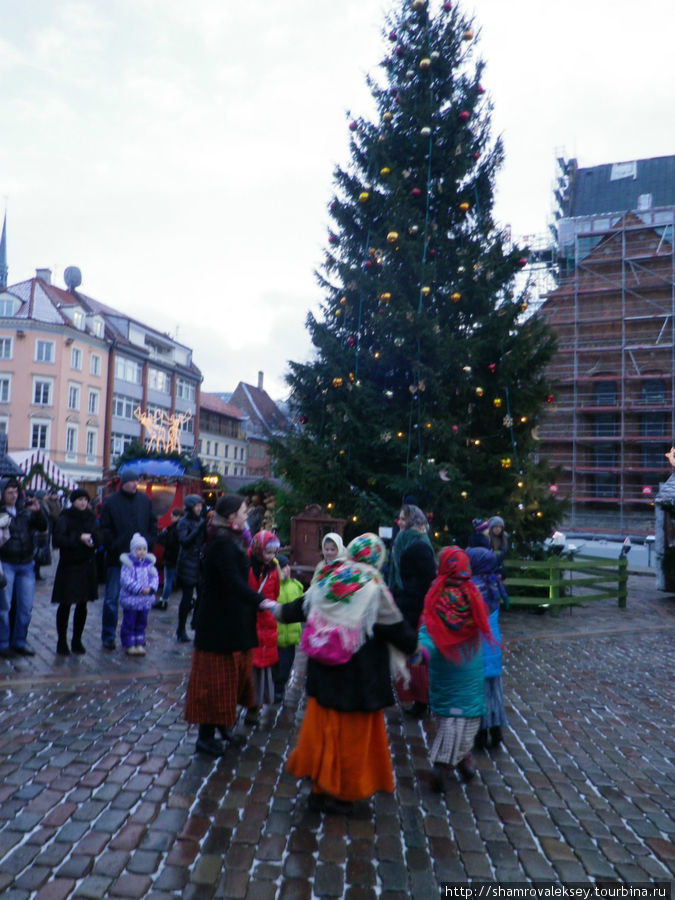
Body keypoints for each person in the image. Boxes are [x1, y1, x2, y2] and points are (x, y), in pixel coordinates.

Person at [274, 533, 418, 815]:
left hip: (323, 675)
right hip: (358, 681)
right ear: (377, 558)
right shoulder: (374, 588)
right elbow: (398, 631)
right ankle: (344, 794)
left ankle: (318, 787)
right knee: (352, 739)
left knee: (322, 731)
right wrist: (415, 648)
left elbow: (298, 609)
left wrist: (275, 610)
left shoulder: (330, 578)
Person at [184, 493, 269, 756]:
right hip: (218, 625)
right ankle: (205, 737)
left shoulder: (233, 538)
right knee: (214, 682)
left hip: (231, 622)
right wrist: (263, 602)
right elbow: (233, 583)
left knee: (231, 679)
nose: (247, 515)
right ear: (232, 516)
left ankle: (223, 727)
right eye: (244, 511)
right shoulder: (222, 542)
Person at [418, 546, 494, 788]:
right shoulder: (475, 594)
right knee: (466, 718)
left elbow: (428, 629)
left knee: (448, 719)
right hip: (470, 666)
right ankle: (462, 758)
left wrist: (420, 651)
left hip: (444, 667)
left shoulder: (436, 595)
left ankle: (445, 764)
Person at [99, 469, 157, 650]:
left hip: (140, 561)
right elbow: (104, 528)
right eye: (132, 481)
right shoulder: (111, 502)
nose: (135, 484)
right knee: (111, 599)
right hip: (118, 559)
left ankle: (136, 635)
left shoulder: (144, 500)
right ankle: (108, 635)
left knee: (139, 601)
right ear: (124, 482)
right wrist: (114, 545)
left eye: (136, 481)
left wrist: (149, 542)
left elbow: (152, 523)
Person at [388, 504, 436, 719]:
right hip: (402, 599)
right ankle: (409, 693)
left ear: (414, 519)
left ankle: (421, 699)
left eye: (404, 518)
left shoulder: (420, 544)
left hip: (416, 604)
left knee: (414, 650)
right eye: (399, 518)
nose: (400, 522)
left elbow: (428, 578)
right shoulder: (401, 539)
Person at [466, 546, 509, 750]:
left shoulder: (473, 586)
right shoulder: (493, 583)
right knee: (494, 692)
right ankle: (497, 731)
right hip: (493, 648)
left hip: (477, 649)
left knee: (479, 693)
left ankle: (481, 734)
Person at [0, 478, 49, 657]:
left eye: (15, 492)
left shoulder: (25, 511)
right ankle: (3, 643)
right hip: (6, 562)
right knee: (4, 607)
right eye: (9, 492)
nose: (13, 495)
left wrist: (38, 512)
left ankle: (20, 641)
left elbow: (43, 526)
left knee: (25, 607)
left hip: (26, 563)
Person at [51, 488, 100, 655]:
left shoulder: (91, 517)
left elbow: (98, 535)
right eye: (80, 499)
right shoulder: (65, 517)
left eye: (85, 499)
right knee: (65, 604)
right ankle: (62, 640)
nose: (83, 502)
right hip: (70, 566)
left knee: (83, 604)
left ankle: (77, 640)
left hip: (87, 564)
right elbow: (58, 539)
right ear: (73, 501)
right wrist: (78, 537)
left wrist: (94, 540)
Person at [246, 529, 281, 723]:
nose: (271, 557)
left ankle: (255, 707)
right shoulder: (248, 566)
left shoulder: (273, 570)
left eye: (274, 553)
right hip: (250, 621)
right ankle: (245, 704)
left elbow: (275, 593)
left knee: (261, 671)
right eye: (268, 553)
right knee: (248, 667)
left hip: (266, 622)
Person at [119, 533, 159, 656]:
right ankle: (129, 643)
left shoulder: (149, 564)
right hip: (131, 600)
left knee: (142, 622)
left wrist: (151, 588)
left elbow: (155, 577)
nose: (141, 552)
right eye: (138, 549)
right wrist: (139, 589)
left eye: (143, 549)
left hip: (144, 600)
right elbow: (126, 580)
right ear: (133, 550)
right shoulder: (128, 565)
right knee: (130, 621)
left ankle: (139, 642)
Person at [272, 553, 303, 703]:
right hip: (276, 635)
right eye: (282, 567)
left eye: (287, 566)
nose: (286, 570)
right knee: (276, 665)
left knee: (287, 664)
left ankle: (280, 688)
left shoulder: (296, 586)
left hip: (291, 636)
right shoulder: (273, 586)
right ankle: (275, 689)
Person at [175, 496, 206, 642]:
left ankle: (196, 623)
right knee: (187, 598)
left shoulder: (200, 521)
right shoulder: (183, 522)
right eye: (196, 506)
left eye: (200, 506)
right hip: (187, 562)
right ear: (189, 507)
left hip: (200, 563)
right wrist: (198, 530)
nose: (199, 509)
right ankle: (181, 629)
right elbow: (184, 541)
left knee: (202, 596)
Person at [153, 507, 182, 611]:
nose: (171, 518)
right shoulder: (181, 527)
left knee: (168, 580)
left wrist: (163, 535)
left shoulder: (172, 529)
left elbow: (167, 542)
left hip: (170, 557)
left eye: (173, 516)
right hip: (178, 557)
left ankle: (164, 600)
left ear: (178, 517)